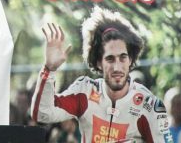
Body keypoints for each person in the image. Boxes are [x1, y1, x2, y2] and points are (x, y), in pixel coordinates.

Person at [35, 13, 169, 142]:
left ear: (130, 59)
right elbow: (42, 113)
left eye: (123, 58)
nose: (117, 67)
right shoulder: (85, 91)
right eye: (110, 59)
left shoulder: (149, 105)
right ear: (98, 62)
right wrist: (49, 70)